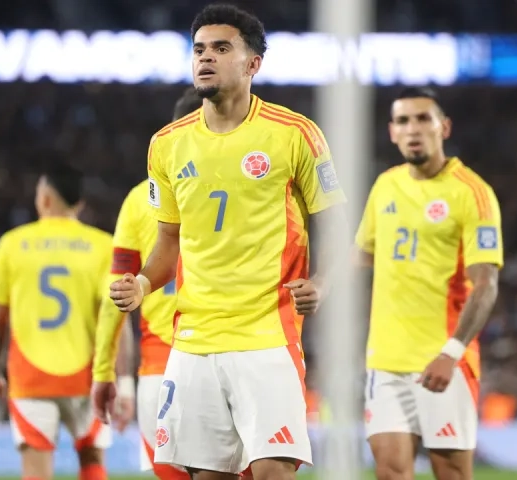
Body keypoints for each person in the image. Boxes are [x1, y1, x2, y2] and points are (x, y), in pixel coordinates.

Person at [108, 4, 348, 480]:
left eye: (221, 48)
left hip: (267, 336)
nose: (206, 58)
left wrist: (323, 282)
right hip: (194, 341)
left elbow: (338, 229)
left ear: (252, 63)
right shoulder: (166, 145)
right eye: (199, 49)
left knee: (272, 472)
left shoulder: (295, 134)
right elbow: (167, 246)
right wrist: (141, 283)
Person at [354, 87, 503, 480]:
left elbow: (486, 284)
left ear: (444, 127)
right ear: (391, 132)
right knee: (390, 470)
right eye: (403, 120)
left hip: (443, 361)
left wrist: (451, 352)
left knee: (451, 474)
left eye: (423, 118)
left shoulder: (473, 193)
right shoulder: (385, 184)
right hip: (385, 361)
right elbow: (363, 253)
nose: (413, 128)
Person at [92, 87, 202, 480]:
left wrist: (106, 372)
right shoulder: (246, 188)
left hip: (161, 366)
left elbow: (116, 294)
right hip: (228, 351)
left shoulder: (140, 200)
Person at [0, 163, 112, 480]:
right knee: (92, 458)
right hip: (87, 375)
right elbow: (114, 317)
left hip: (30, 377)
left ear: (44, 200)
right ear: (79, 203)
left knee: (36, 471)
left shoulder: (13, 243)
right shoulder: (102, 245)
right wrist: (120, 380)